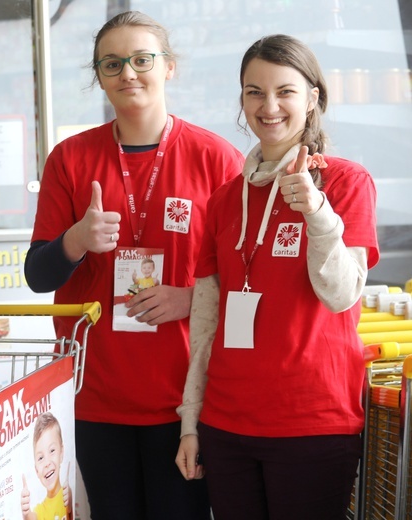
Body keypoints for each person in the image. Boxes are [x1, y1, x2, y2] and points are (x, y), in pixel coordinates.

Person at [24, 10, 244, 519]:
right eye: (112, 63)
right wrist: (76, 239)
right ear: (98, 76)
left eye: (142, 59)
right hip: (94, 394)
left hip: (186, 398)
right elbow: (38, 276)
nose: (128, 73)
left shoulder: (217, 160)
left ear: (169, 67)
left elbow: (248, 279)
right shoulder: (70, 159)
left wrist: (190, 297)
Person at [175, 34, 379, 520]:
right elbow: (206, 321)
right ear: (242, 100)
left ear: (312, 99)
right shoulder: (225, 199)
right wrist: (190, 420)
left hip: (312, 421)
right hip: (226, 423)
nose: (269, 106)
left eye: (285, 91)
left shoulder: (346, 182)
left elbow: (342, 293)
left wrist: (317, 211)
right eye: (254, 92)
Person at [21, 412, 73, 520]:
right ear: (36, 470)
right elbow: (32, 517)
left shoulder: (67, 494)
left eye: (52, 451)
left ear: (61, 453)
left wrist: (70, 501)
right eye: (40, 458)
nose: (47, 463)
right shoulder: (40, 510)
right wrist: (26, 514)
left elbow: (69, 511)